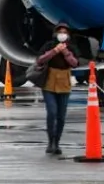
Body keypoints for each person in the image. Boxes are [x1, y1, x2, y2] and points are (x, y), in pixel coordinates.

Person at [35, 24, 79, 155]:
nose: (62, 34)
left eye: (65, 32)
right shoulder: (49, 45)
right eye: (60, 32)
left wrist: (65, 53)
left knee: (61, 116)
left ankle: (57, 142)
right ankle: (50, 141)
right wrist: (54, 51)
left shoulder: (71, 47)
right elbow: (40, 60)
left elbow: (75, 63)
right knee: (52, 111)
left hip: (64, 82)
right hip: (49, 81)